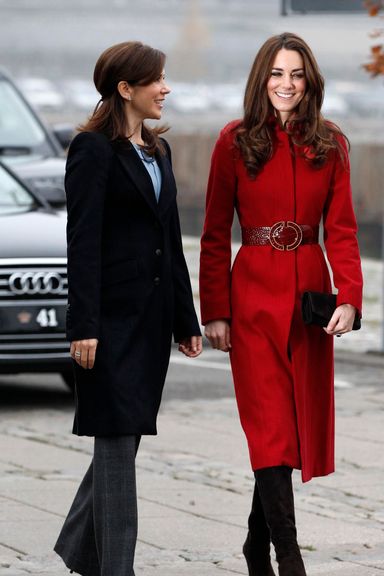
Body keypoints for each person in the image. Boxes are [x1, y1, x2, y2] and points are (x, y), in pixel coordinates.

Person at [199, 32, 363, 576]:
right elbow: (214, 234)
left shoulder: (331, 143)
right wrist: (215, 310)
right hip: (251, 299)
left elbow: (341, 230)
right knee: (269, 425)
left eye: (295, 74)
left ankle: (254, 544)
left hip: (310, 301)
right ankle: (287, 558)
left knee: (290, 430)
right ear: (260, 79)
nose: (285, 85)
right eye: (276, 73)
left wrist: (351, 300)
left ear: (309, 81)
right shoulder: (233, 141)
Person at [54, 41, 202, 576]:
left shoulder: (158, 151)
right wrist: (84, 326)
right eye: (156, 80)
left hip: (151, 324)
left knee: (125, 438)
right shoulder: (92, 150)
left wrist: (186, 320)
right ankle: (117, 568)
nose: (166, 88)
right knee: (116, 448)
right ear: (126, 89)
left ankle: (77, 552)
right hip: (110, 325)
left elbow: (171, 241)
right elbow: (82, 242)